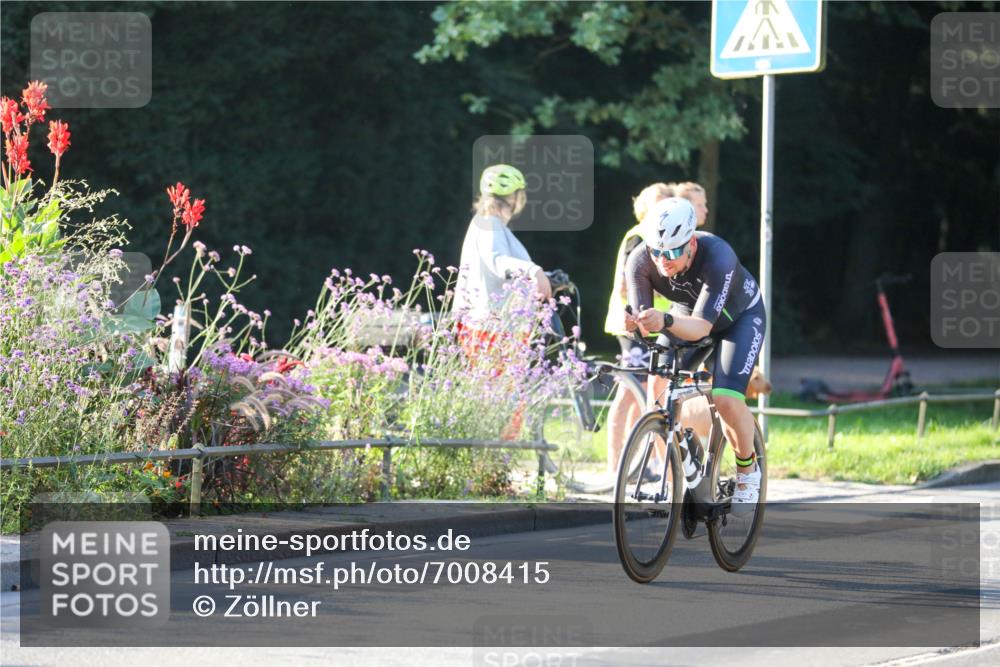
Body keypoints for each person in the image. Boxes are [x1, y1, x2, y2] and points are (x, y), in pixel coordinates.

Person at [624, 196, 765, 510]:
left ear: (692, 244)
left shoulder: (718, 256)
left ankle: (747, 471)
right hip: (685, 317)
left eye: (673, 251)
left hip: (738, 320)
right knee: (657, 395)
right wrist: (636, 322)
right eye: (657, 251)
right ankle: (682, 465)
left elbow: (702, 328)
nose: (664, 260)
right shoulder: (639, 260)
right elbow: (646, 324)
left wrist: (666, 320)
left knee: (726, 397)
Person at [603, 183, 674, 472]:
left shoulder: (661, 234)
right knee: (632, 391)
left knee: (645, 393)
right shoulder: (639, 235)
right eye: (658, 203)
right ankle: (616, 463)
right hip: (633, 325)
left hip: (655, 326)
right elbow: (624, 284)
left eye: (668, 202)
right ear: (644, 208)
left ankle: (635, 462)